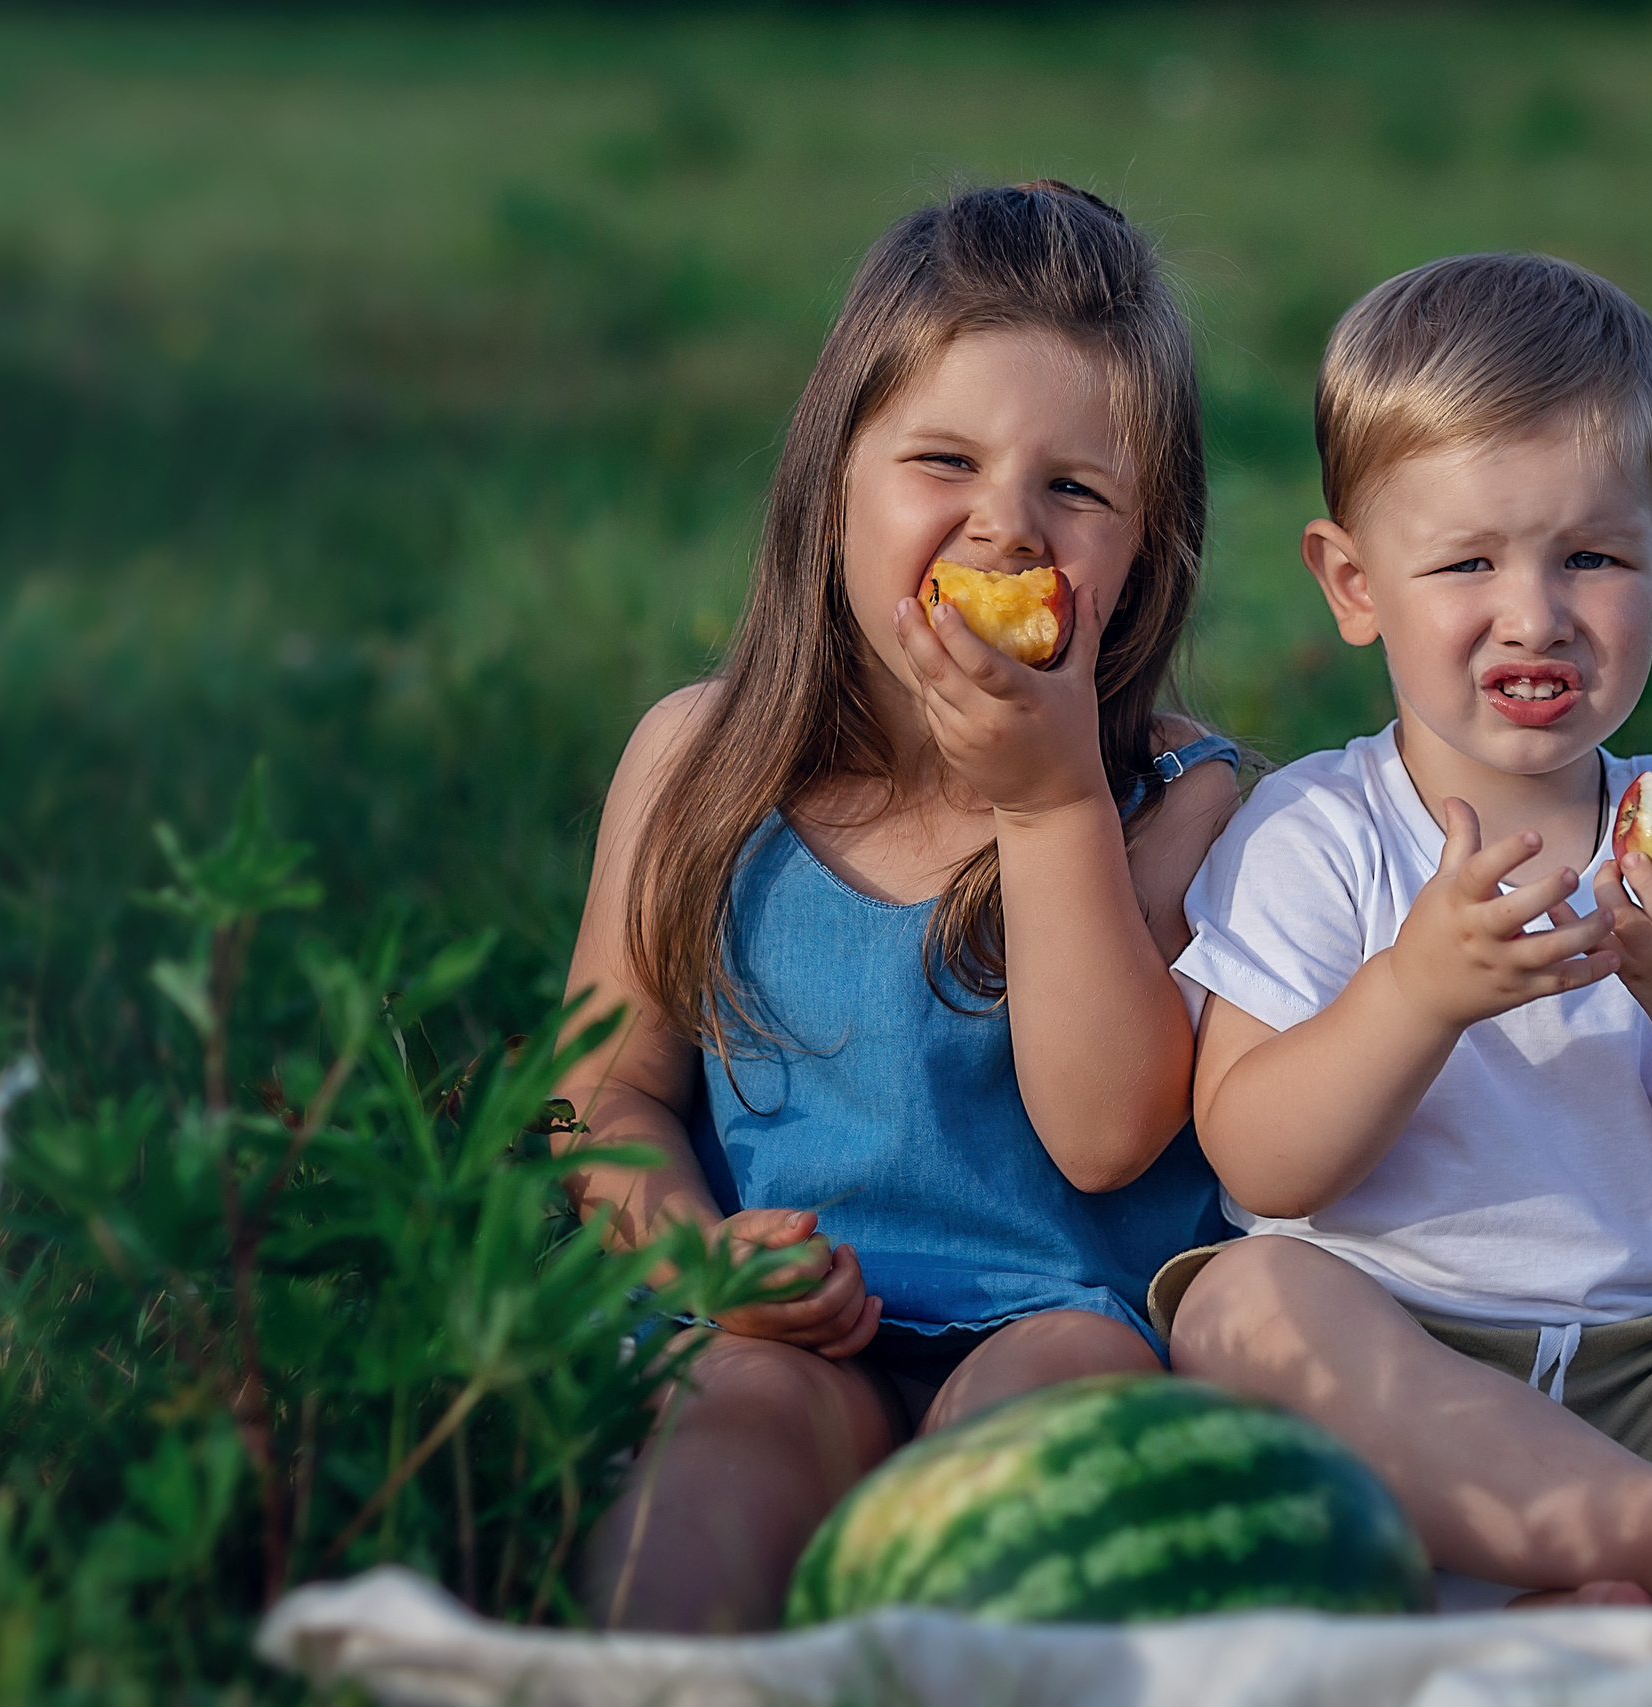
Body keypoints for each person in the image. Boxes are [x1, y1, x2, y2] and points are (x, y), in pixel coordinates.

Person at [551, 182, 1239, 1632]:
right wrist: (693, 1251)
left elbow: (1109, 1134)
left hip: (1064, 1316)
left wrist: (1047, 801)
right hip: (784, 1320)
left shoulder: (1186, 801)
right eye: (943, 459)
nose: (1004, 527)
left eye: (1076, 490)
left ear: (1144, 551)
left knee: (1046, 1457)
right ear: (831, 481)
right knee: (721, 1437)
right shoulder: (702, 761)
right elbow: (593, 1090)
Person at [1161, 253, 1652, 1610]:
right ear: (1354, 582)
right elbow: (1255, 1152)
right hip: (1391, 1347)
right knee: (1238, 1303)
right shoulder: (1316, 832)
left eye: (1592, 557)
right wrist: (1414, 998)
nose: (1533, 612)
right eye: (1467, 560)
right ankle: (1638, 1533)